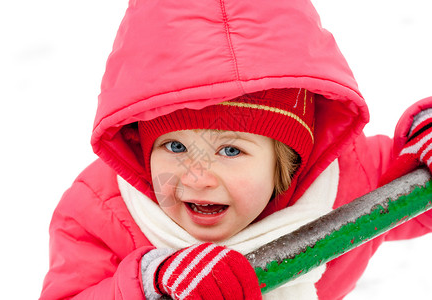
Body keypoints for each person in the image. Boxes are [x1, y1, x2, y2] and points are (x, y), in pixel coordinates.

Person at [39, 0, 432, 299]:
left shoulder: (346, 179)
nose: (197, 177)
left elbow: (414, 199)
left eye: (230, 151)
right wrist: (149, 283)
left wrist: (422, 144)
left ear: (287, 160)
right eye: (174, 146)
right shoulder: (100, 214)